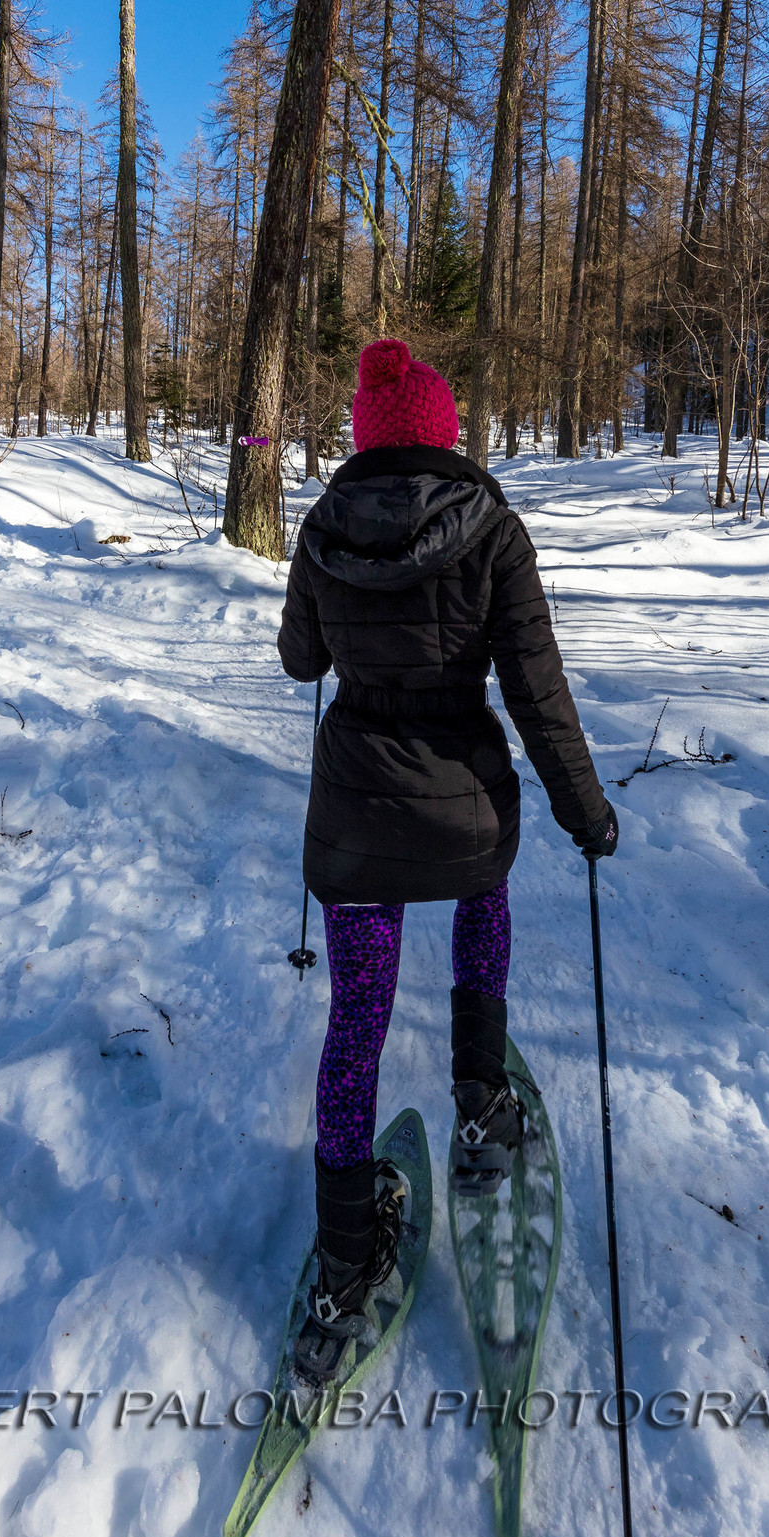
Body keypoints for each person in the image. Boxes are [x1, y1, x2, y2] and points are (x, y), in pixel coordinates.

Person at [277, 336, 618, 1385]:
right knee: (482, 908)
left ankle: (346, 1257)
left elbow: (300, 660)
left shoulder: (323, 527)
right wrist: (583, 807)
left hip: (354, 818)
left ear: (369, 438)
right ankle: (480, 1097)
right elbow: (537, 689)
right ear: (446, 433)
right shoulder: (493, 532)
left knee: (357, 1023)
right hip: (465, 810)